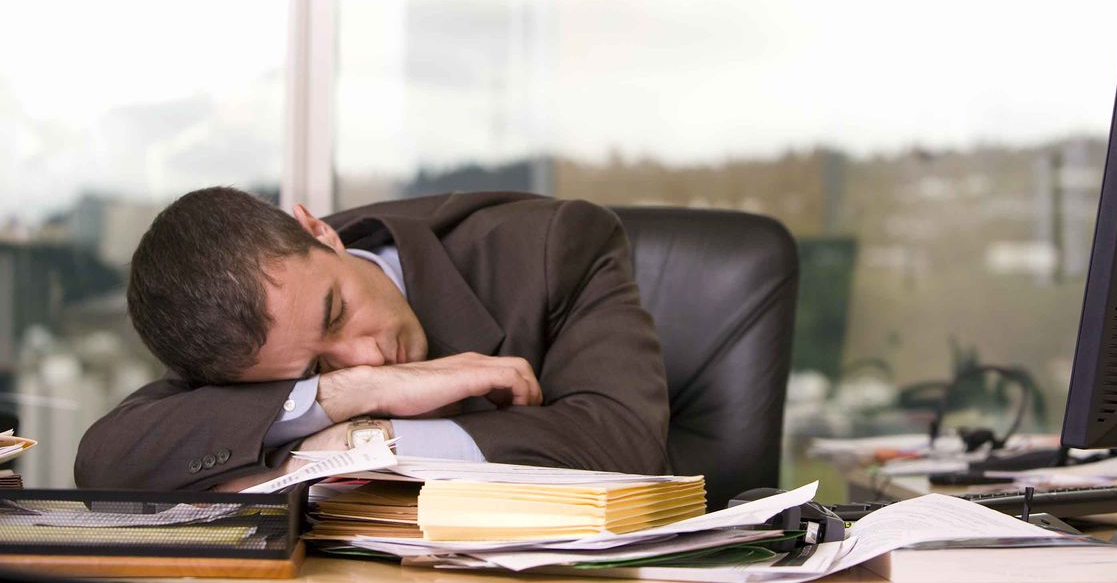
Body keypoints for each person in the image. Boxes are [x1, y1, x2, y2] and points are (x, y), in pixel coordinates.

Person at [74, 187, 670, 490]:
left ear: (319, 232)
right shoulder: (242, 337)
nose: (365, 355)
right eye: (309, 369)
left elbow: (630, 445)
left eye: (336, 313)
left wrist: (373, 441)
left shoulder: (553, 248)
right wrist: (349, 396)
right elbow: (108, 459)